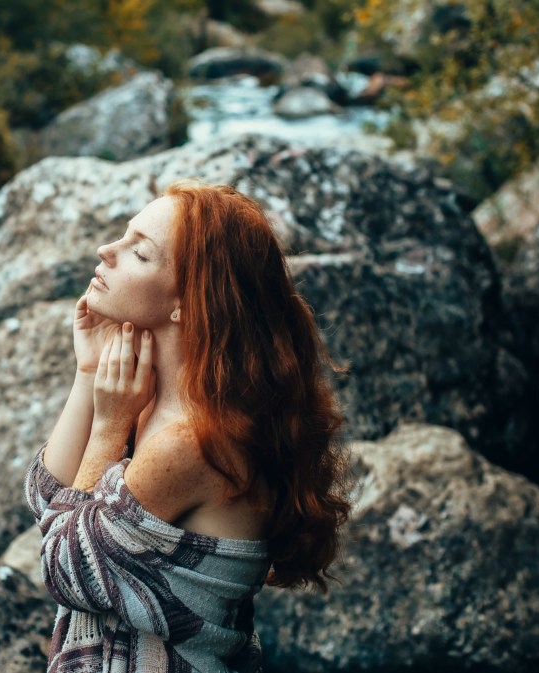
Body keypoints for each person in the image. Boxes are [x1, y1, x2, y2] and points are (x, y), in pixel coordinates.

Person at [24, 182, 351, 673]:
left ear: (187, 301)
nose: (105, 251)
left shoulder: (193, 442)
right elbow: (47, 497)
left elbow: (65, 566)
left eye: (138, 251)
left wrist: (110, 427)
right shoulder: (158, 400)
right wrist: (88, 374)